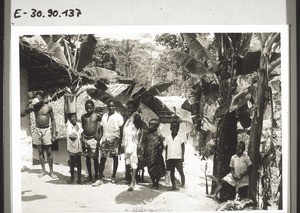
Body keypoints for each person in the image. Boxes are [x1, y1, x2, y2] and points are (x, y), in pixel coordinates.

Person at [21, 91, 58, 179]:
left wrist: (54, 133)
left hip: (46, 130)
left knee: (49, 152)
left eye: (39, 98)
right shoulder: (34, 107)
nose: (37, 100)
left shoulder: (48, 107)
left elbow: (53, 120)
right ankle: (43, 170)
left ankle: (51, 172)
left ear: (42, 99)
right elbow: (22, 115)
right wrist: (28, 107)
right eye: (36, 98)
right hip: (37, 130)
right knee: (40, 151)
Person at [93, 101, 124, 186]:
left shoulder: (119, 117)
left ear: (115, 107)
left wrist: (120, 142)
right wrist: (100, 139)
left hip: (114, 140)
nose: (110, 108)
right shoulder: (104, 116)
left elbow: (121, 130)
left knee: (115, 158)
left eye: (112, 106)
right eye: (109, 106)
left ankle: (113, 176)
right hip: (105, 139)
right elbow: (102, 128)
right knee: (103, 158)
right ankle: (99, 179)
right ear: (107, 107)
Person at [122, 100, 143, 191]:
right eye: (128, 107)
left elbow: (141, 130)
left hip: (133, 143)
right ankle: (131, 179)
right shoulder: (127, 118)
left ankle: (133, 182)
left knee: (134, 161)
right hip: (127, 143)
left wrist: (140, 143)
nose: (129, 109)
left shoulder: (136, 117)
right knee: (129, 162)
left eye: (131, 108)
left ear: (134, 108)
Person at [81, 100, 102, 183]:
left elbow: (104, 123)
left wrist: (99, 135)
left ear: (93, 108)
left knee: (95, 159)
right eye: (87, 108)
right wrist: (83, 140)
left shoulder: (97, 116)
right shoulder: (83, 117)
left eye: (90, 108)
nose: (88, 109)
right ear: (85, 108)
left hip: (94, 139)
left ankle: (96, 176)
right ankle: (90, 175)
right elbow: (83, 127)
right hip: (86, 138)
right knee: (87, 158)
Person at [143, 119, 166, 189]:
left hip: (156, 154)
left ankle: (156, 182)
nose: (150, 126)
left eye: (152, 125)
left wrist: (160, 153)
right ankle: (153, 181)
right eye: (149, 125)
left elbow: (162, 145)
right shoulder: (147, 134)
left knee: (157, 169)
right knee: (150, 169)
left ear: (156, 126)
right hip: (148, 154)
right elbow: (144, 143)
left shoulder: (159, 135)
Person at [165, 120, 185, 190]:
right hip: (170, 157)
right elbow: (167, 147)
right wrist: (166, 158)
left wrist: (182, 156)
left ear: (178, 129)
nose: (174, 129)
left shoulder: (180, 137)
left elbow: (183, 147)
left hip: (178, 157)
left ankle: (183, 185)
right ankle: (173, 186)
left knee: (180, 171)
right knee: (171, 172)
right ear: (170, 128)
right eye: (173, 127)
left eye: (176, 127)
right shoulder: (167, 137)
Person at [66, 113, 83, 184]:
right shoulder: (68, 127)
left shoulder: (79, 125)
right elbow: (72, 134)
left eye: (75, 117)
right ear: (69, 119)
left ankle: (79, 178)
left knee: (79, 162)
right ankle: (72, 177)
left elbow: (81, 132)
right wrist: (76, 127)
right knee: (72, 162)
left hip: (78, 145)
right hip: (71, 145)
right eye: (72, 117)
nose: (74, 118)